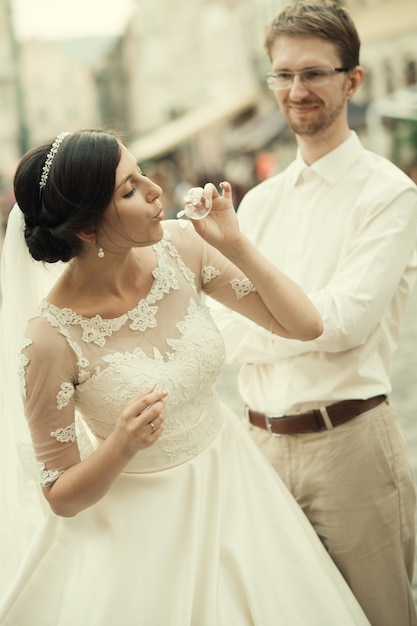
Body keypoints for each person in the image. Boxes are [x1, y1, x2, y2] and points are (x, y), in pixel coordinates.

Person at [0, 129, 371, 625]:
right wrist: (120, 446)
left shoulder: (181, 247)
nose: (156, 191)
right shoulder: (48, 340)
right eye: (129, 190)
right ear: (87, 229)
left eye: (143, 173)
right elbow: (60, 494)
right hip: (144, 536)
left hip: (240, 491)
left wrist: (234, 243)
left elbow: (305, 325)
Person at [210, 2, 417, 625]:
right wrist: (295, 322)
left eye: (314, 74)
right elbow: (222, 329)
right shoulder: (258, 205)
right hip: (262, 448)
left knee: (381, 616)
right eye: (284, 74)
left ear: (352, 80)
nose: (296, 91)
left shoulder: (389, 194)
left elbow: (344, 322)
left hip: (350, 445)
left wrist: (271, 323)